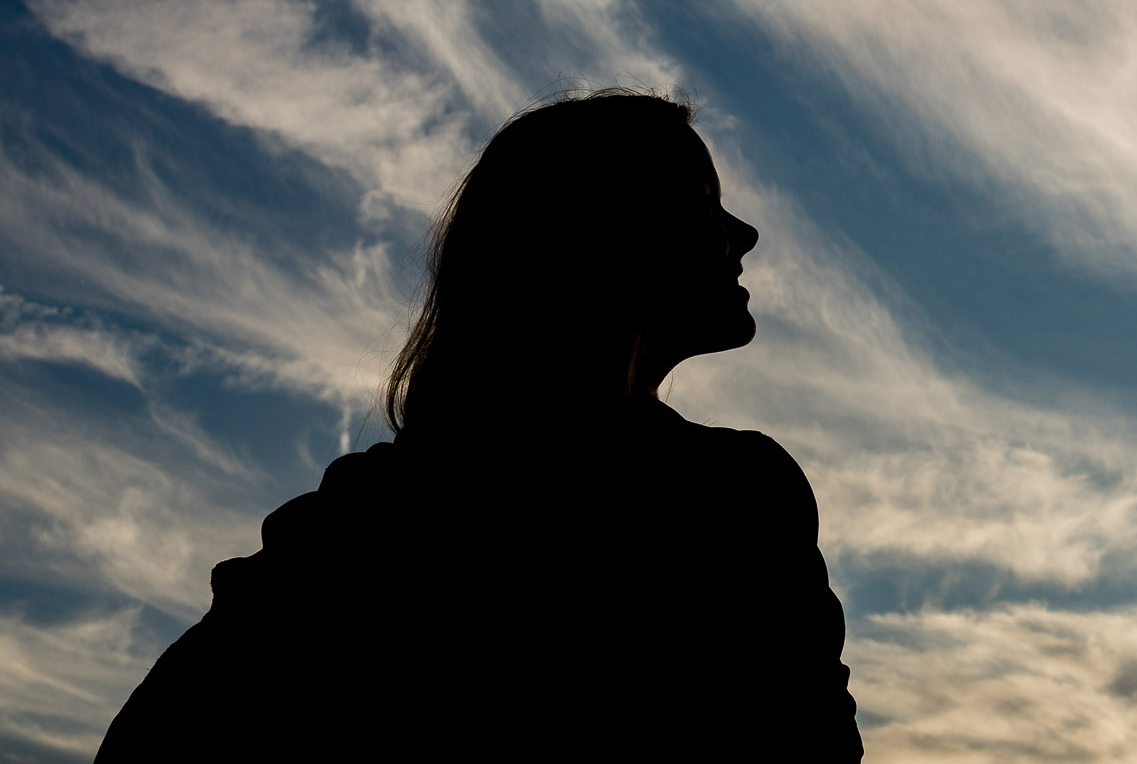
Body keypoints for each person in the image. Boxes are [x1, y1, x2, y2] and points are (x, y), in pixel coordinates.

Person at [96, 90, 862, 761]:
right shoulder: (734, 498)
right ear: (608, 237)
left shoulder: (368, 521)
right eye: (703, 202)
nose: (745, 233)